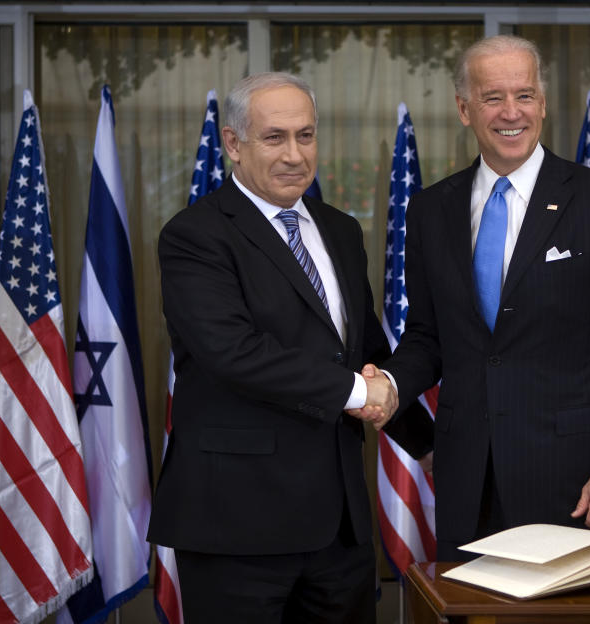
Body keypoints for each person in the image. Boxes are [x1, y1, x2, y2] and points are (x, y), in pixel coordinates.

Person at [373, 35, 590, 561]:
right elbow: (427, 336)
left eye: (525, 95)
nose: (512, 112)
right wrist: (391, 382)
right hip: (468, 479)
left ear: (544, 105)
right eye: (493, 98)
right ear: (465, 109)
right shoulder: (430, 210)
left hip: (576, 485)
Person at [147, 72, 400, 623]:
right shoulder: (195, 235)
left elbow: (364, 351)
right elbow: (233, 352)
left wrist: (422, 438)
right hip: (237, 527)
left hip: (339, 531)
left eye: (305, 135)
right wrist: (361, 392)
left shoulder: (340, 230)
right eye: (274, 137)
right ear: (233, 144)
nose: (294, 154)